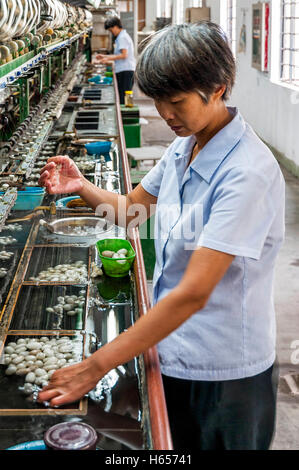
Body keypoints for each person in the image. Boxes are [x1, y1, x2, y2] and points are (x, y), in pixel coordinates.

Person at [38, 22, 285, 450]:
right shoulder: (184, 146)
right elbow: (132, 210)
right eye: (158, 102)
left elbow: (193, 293)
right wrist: (81, 187)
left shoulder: (247, 174)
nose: (166, 115)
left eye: (176, 102)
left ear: (219, 88)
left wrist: (94, 366)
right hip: (173, 351)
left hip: (224, 376)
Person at [96, 16, 136, 104]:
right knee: (124, 94)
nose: (111, 32)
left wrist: (107, 58)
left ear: (115, 26)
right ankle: (125, 112)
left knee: (124, 95)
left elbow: (124, 55)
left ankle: (125, 114)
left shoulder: (122, 37)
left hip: (125, 71)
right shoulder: (121, 37)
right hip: (124, 70)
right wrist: (105, 57)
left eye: (111, 30)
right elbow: (120, 55)